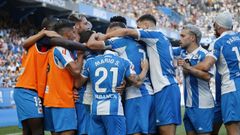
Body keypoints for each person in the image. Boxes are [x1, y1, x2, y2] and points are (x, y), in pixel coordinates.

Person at [93, 14, 181, 135]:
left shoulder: (154, 35)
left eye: (138, 27)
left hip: (150, 90)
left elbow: (124, 32)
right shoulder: (148, 43)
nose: (137, 30)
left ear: (145, 26)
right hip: (153, 91)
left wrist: (103, 36)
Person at [75, 48, 149, 135]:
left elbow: (78, 84)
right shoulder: (124, 61)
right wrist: (145, 69)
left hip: (95, 110)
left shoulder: (90, 61)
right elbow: (137, 82)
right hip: (114, 110)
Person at [192, 12, 240, 135]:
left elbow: (206, 65)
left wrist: (188, 67)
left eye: (214, 25)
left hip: (232, 89)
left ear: (219, 26)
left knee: (233, 129)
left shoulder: (218, 42)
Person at [13, 17, 62, 135]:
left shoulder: (40, 44)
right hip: (28, 90)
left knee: (28, 131)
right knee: (38, 131)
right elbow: (25, 43)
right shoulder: (43, 41)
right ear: (47, 30)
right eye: (56, 29)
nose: (58, 32)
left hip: (28, 90)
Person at [105, 21, 155, 135]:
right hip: (147, 93)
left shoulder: (119, 41)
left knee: (135, 132)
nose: (108, 36)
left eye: (109, 33)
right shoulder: (140, 43)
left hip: (137, 94)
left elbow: (92, 44)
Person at [43, 19, 83, 135]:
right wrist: (80, 55)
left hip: (51, 100)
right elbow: (75, 71)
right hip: (62, 101)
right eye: (74, 32)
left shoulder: (52, 49)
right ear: (68, 33)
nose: (75, 36)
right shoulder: (61, 49)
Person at [173, 24, 215, 135]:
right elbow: (166, 49)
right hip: (189, 105)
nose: (179, 39)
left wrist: (189, 68)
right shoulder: (182, 52)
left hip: (202, 105)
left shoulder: (204, 54)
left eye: (183, 36)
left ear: (192, 38)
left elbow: (207, 77)